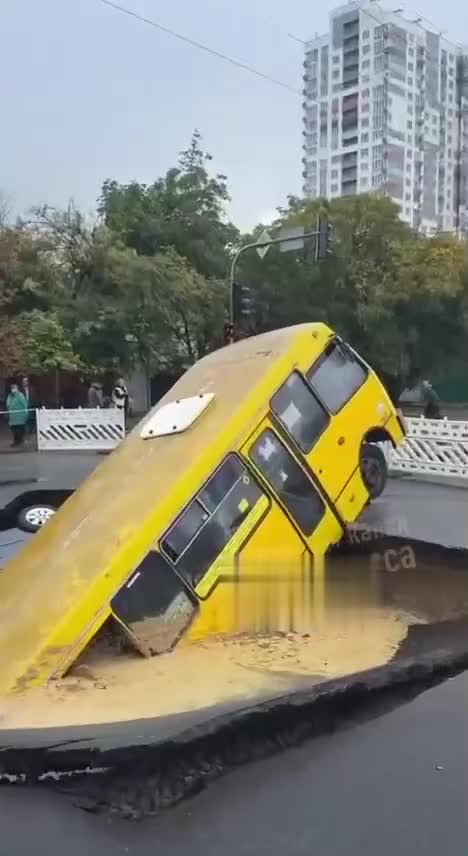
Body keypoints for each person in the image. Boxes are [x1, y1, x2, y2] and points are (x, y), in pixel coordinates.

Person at [6, 382, 28, 447]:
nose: (13, 389)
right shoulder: (10, 396)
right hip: (12, 416)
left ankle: (18, 441)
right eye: (12, 388)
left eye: (14, 388)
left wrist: (26, 412)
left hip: (20, 416)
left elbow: (24, 404)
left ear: (17, 388)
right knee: (13, 429)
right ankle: (17, 441)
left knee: (19, 429)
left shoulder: (20, 395)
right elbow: (8, 404)